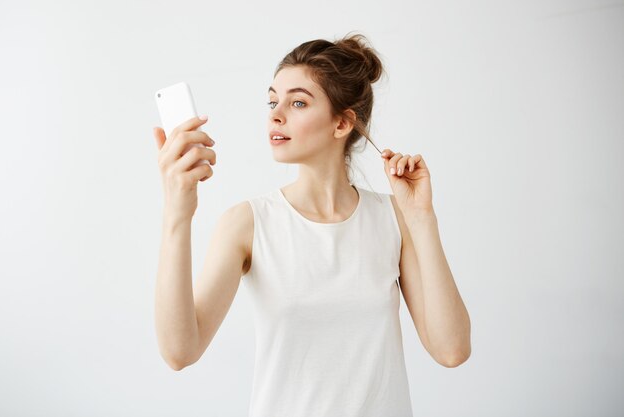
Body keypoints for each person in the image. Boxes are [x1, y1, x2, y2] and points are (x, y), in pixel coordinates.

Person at [153, 32, 471, 417]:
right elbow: (179, 352)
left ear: (342, 124)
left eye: (298, 102)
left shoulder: (394, 218)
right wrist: (177, 211)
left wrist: (422, 219)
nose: (276, 113)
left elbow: (452, 349)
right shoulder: (247, 223)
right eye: (273, 100)